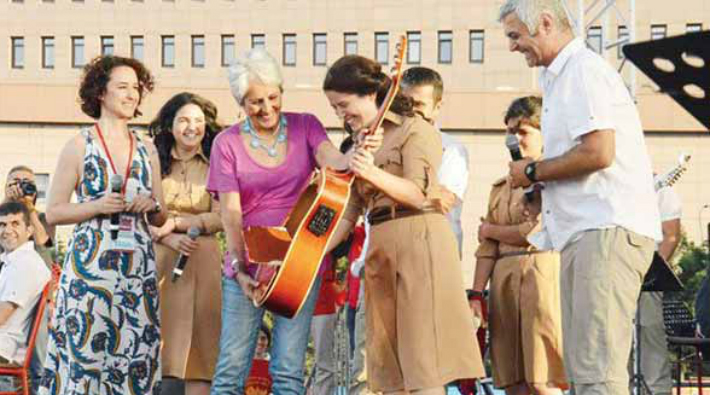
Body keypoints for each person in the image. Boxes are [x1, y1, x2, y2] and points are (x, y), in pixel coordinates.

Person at [500, 2, 662, 395]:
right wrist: (542, 190)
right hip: (587, 234)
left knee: (596, 369)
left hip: (604, 232)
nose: (512, 47)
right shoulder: (563, 78)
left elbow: (598, 152)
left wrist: (534, 172)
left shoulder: (583, 72)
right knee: (586, 367)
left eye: (515, 36)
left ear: (545, 22)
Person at [206, 48, 366, 395]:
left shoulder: (306, 125)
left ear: (281, 91)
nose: (266, 109)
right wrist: (239, 268)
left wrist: (361, 145)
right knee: (231, 368)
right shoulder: (226, 143)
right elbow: (230, 213)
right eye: (254, 102)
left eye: (272, 97)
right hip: (249, 262)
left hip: (299, 261)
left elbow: (336, 163)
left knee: (289, 370)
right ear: (240, 102)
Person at [323, 55, 484, 395]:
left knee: (423, 366)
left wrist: (371, 172)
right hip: (380, 250)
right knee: (387, 370)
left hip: (419, 240)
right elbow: (350, 213)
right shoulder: (359, 143)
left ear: (370, 95)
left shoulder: (416, 129)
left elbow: (418, 193)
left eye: (344, 105)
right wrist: (307, 254)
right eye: (335, 108)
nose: (341, 115)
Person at [38, 55, 168, 395]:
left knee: (136, 354)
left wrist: (150, 205)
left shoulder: (147, 148)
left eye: (136, 88)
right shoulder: (79, 145)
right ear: (100, 93)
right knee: (85, 357)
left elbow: (161, 216)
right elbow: (53, 212)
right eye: (122, 87)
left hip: (137, 270)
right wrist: (96, 206)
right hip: (89, 270)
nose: (131, 95)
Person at [470, 96, 566, 395]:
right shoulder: (501, 186)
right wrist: (476, 294)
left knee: (542, 377)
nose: (515, 139)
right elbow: (486, 247)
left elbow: (532, 232)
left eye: (524, 131)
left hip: (541, 271)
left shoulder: (555, 179)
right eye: (511, 132)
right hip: (503, 277)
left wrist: (490, 229)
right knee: (510, 378)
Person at [148, 92, 225, 395]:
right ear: (170, 125)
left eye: (198, 121)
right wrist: (168, 235)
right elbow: (143, 212)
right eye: (183, 120)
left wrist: (180, 223)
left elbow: (222, 216)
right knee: (161, 346)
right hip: (160, 258)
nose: (191, 127)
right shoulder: (153, 160)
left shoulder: (217, 162)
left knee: (202, 349)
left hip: (203, 259)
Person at [400, 67, 470, 256]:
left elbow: (440, 201)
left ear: (437, 107)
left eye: (419, 104)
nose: (411, 111)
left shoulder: (452, 150)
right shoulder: (384, 143)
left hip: (435, 253)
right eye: (405, 103)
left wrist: (385, 188)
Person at [633, 174, 682, 395]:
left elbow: (671, 235)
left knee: (650, 335)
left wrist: (650, 273)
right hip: (610, 274)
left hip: (647, 276)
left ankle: (656, 391)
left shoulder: (660, 186)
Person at [0, 202, 51, 391]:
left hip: (4, 347)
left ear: (29, 230)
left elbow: (2, 315)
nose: (7, 230)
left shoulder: (26, 264)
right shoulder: (12, 261)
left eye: (15, 224)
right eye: (2, 225)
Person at [3, 165, 56, 267]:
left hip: (35, 274)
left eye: (27, 183)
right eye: (16, 182)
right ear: (7, 187)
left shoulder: (44, 218)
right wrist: (7, 201)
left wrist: (28, 207)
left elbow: (45, 247)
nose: (21, 187)